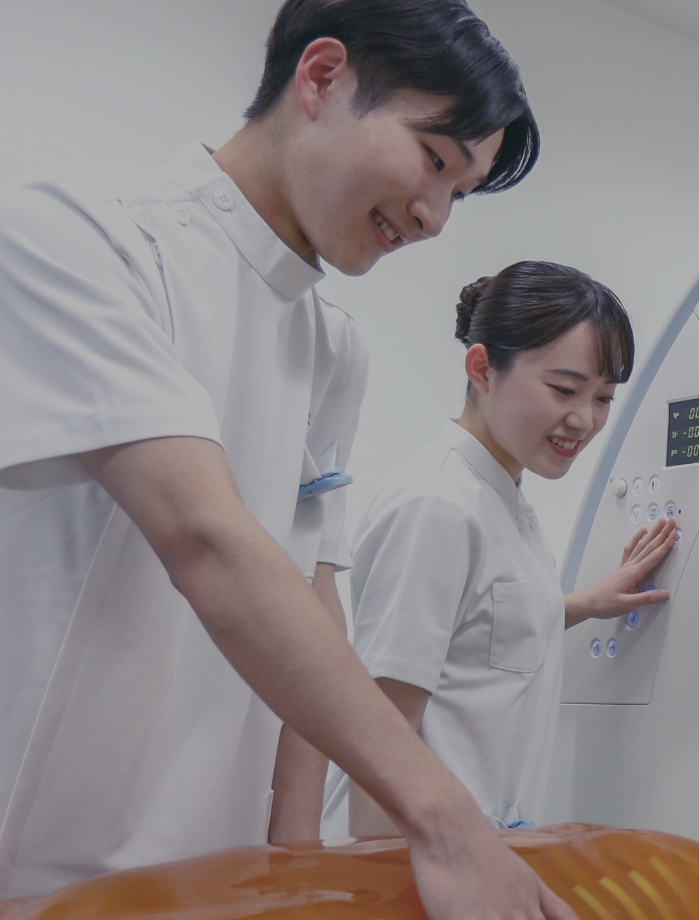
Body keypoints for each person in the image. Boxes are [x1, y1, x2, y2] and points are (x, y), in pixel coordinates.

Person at [0, 2, 578, 919]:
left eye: (462, 192)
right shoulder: (73, 237)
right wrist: (442, 815)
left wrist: (301, 866)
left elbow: (312, 595)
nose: (434, 216)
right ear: (322, 77)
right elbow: (204, 538)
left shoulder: (332, 349)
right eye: (435, 160)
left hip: (172, 863)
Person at [267, 262, 675, 844]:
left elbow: (474, 631)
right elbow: (383, 735)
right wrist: (393, 883)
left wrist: (581, 605)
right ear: (482, 368)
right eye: (564, 390)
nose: (585, 420)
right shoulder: (438, 506)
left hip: (464, 853)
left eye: (604, 398)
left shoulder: (502, 498)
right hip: (406, 856)